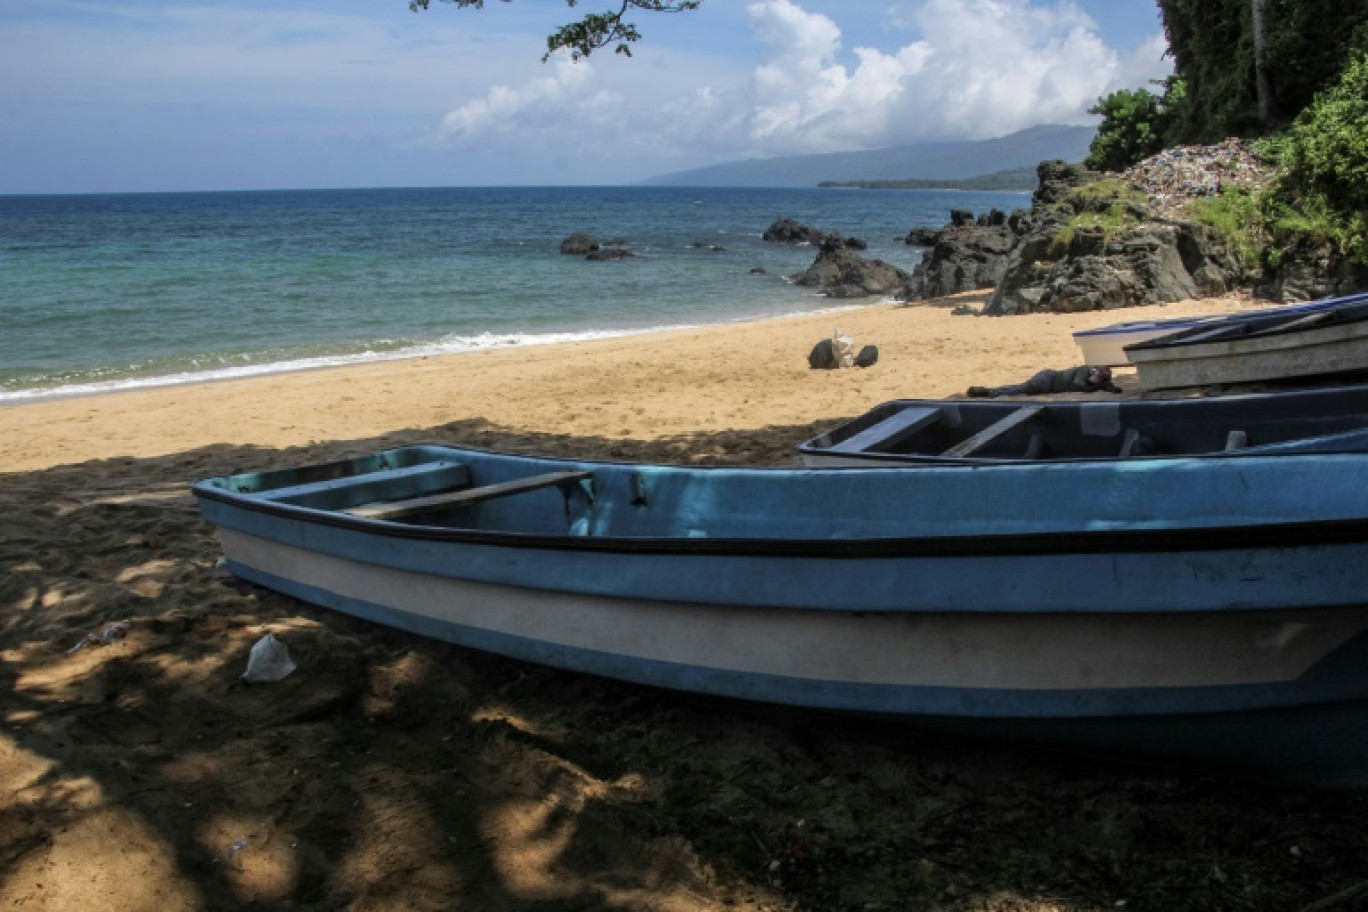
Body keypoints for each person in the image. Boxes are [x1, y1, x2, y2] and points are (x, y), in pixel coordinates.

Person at [966, 365, 1119, 398]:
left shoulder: (1095, 377)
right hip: (1048, 380)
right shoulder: (1084, 371)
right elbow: (1078, 386)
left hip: (1049, 382)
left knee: (1021, 388)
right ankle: (988, 392)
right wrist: (1099, 386)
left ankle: (988, 391)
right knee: (1021, 390)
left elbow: (1103, 386)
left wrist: (1110, 387)